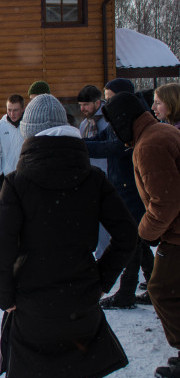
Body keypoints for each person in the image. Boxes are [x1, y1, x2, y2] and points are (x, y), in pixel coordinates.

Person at [0, 94, 136, 378]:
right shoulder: (93, 178)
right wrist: (102, 279)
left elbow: (1, 246)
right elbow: (127, 234)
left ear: (28, 134)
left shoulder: (18, 182)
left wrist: (5, 298)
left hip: (32, 303)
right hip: (81, 301)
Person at [102, 92, 180, 378]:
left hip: (177, 234)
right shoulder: (160, 131)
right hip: (174, 230)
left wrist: (144, 233)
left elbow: (166, 201)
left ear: (124, 119)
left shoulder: (149, 145)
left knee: (162, 289)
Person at [86, 82, 153, 309]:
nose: (107, 101)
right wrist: (78, 141)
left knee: (132, 239)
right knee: (139, 241)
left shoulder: (133, 119)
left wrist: (80, 147)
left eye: (109, 96)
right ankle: (154, 283)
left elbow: (113, 147)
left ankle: (126, 294)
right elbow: (103, 139)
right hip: (123, 183)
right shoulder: (119, 116)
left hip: (131, 187)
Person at [78, 84, 110, 259]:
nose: (82, 109)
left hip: (108, 175)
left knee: (106, 218)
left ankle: (104, 255)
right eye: (80, 105)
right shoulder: (84, 124)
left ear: (97, 103)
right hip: (91, 176)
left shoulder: (107, 120)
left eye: (86, 105)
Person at [0, 94, 25, 192]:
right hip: (7, 177)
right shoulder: (0, 126)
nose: (12, 113)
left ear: (22, 109)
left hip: (26, 175)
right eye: (9, 110)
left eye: (15, 110)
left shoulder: (28, 125)